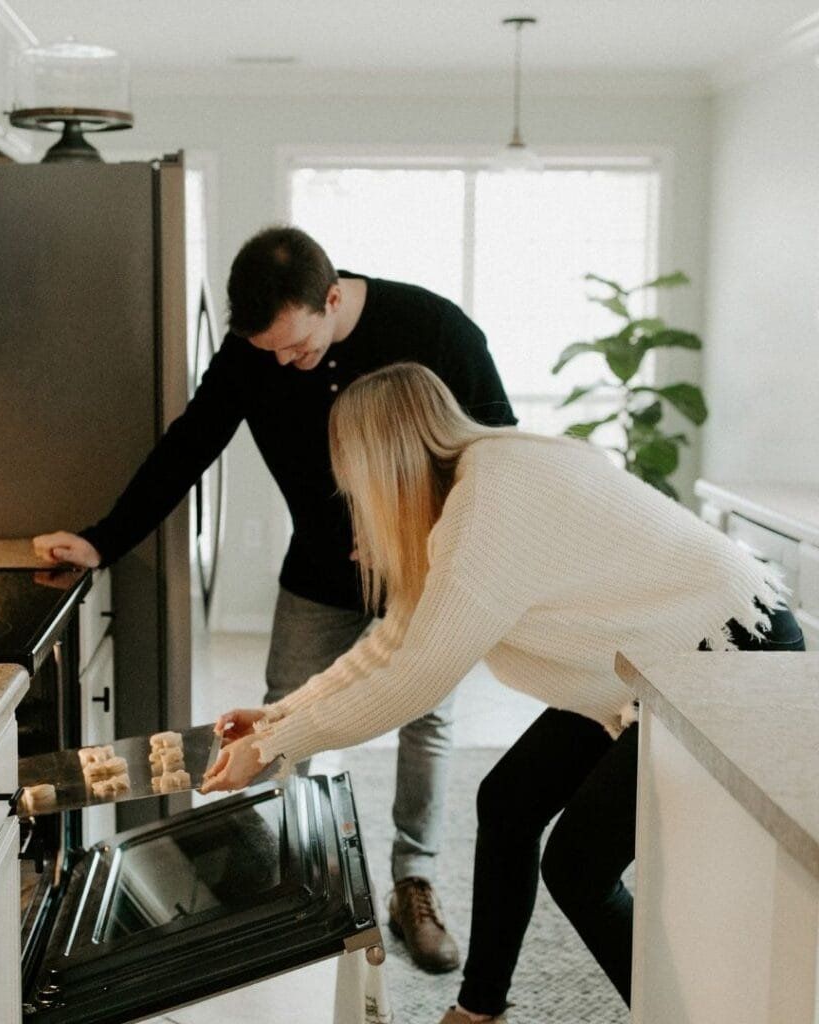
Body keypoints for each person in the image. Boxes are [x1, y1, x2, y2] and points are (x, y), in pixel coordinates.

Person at [200, 362, 805, 1023]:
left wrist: (279, 745)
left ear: (380, 461)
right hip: (657, 661)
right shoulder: (472, 486)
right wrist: (280, 714)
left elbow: (413, 677)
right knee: (509, 800)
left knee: (577, 868)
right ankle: (479, 1010)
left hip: (726, 649)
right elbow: (393, 645)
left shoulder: (488, 506)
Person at [32, 226, 517, 973]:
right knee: (284, 711)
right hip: (318, 571)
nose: (287, 364)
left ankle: (412, 882)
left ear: (332, 297)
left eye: (298, 347)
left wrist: (431, 534)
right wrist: (103, 539)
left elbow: (497, 449)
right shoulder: (256, 351)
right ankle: (294, 876)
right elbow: (189, 446)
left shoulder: (433, 327)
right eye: (272, 354)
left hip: (425, 567)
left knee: (429, 716)